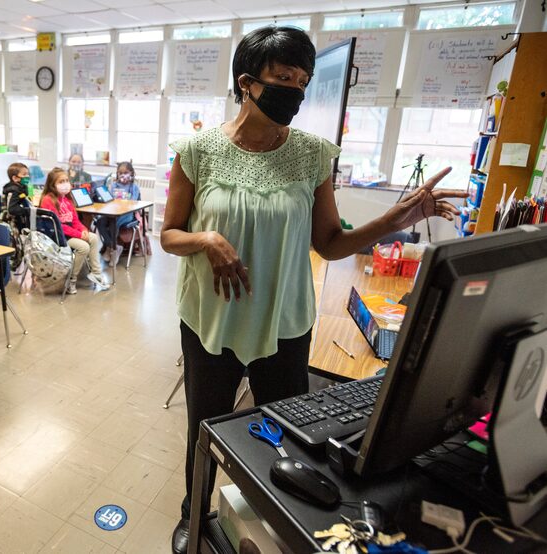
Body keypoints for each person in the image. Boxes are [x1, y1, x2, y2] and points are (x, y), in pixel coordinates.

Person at [159, 26, 465, 554]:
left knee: (293, 434)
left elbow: (331, 242)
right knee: (203, 429)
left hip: (285, 323)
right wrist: (206, 238)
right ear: (247, 83)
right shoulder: (197, 151)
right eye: (283, 79)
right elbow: (168, 235)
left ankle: (278, 525)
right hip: (210, 320)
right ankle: (195, 510)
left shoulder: (312, 155)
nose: (296, 92)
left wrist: (397, 218)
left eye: (303, 82)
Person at [39, 168, 108, 295]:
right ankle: (71, 280)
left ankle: (96, 274)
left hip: (69, 233)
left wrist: (83, 230)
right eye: (61, 181)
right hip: (57, 236)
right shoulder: (48, 200)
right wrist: (78, 235)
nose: (65, 184)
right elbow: (58, 226)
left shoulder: (67, 199)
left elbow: (75, 221)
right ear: (52, 184)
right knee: (83, 247)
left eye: (66, 180)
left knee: (93, 238)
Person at [96, 161, 141, 265]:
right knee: (99, 222)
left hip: (127, 215)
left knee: (113, 223)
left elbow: (134, 202)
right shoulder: (113, 185)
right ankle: (113, 247)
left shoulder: (134, 187)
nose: (123, 175)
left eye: (126, 172)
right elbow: (109, 199)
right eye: (120, 173)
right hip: (112, 212)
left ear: (131, 173)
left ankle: (110, 249)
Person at [2, 162, 32, 231]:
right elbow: (12, 209)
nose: (27, 176)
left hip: (21, 218)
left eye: (28, 174)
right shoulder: (14, 190)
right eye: (24, 174)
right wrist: (27, 210)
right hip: (14, 222)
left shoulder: (21, 187)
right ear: (15, 178)